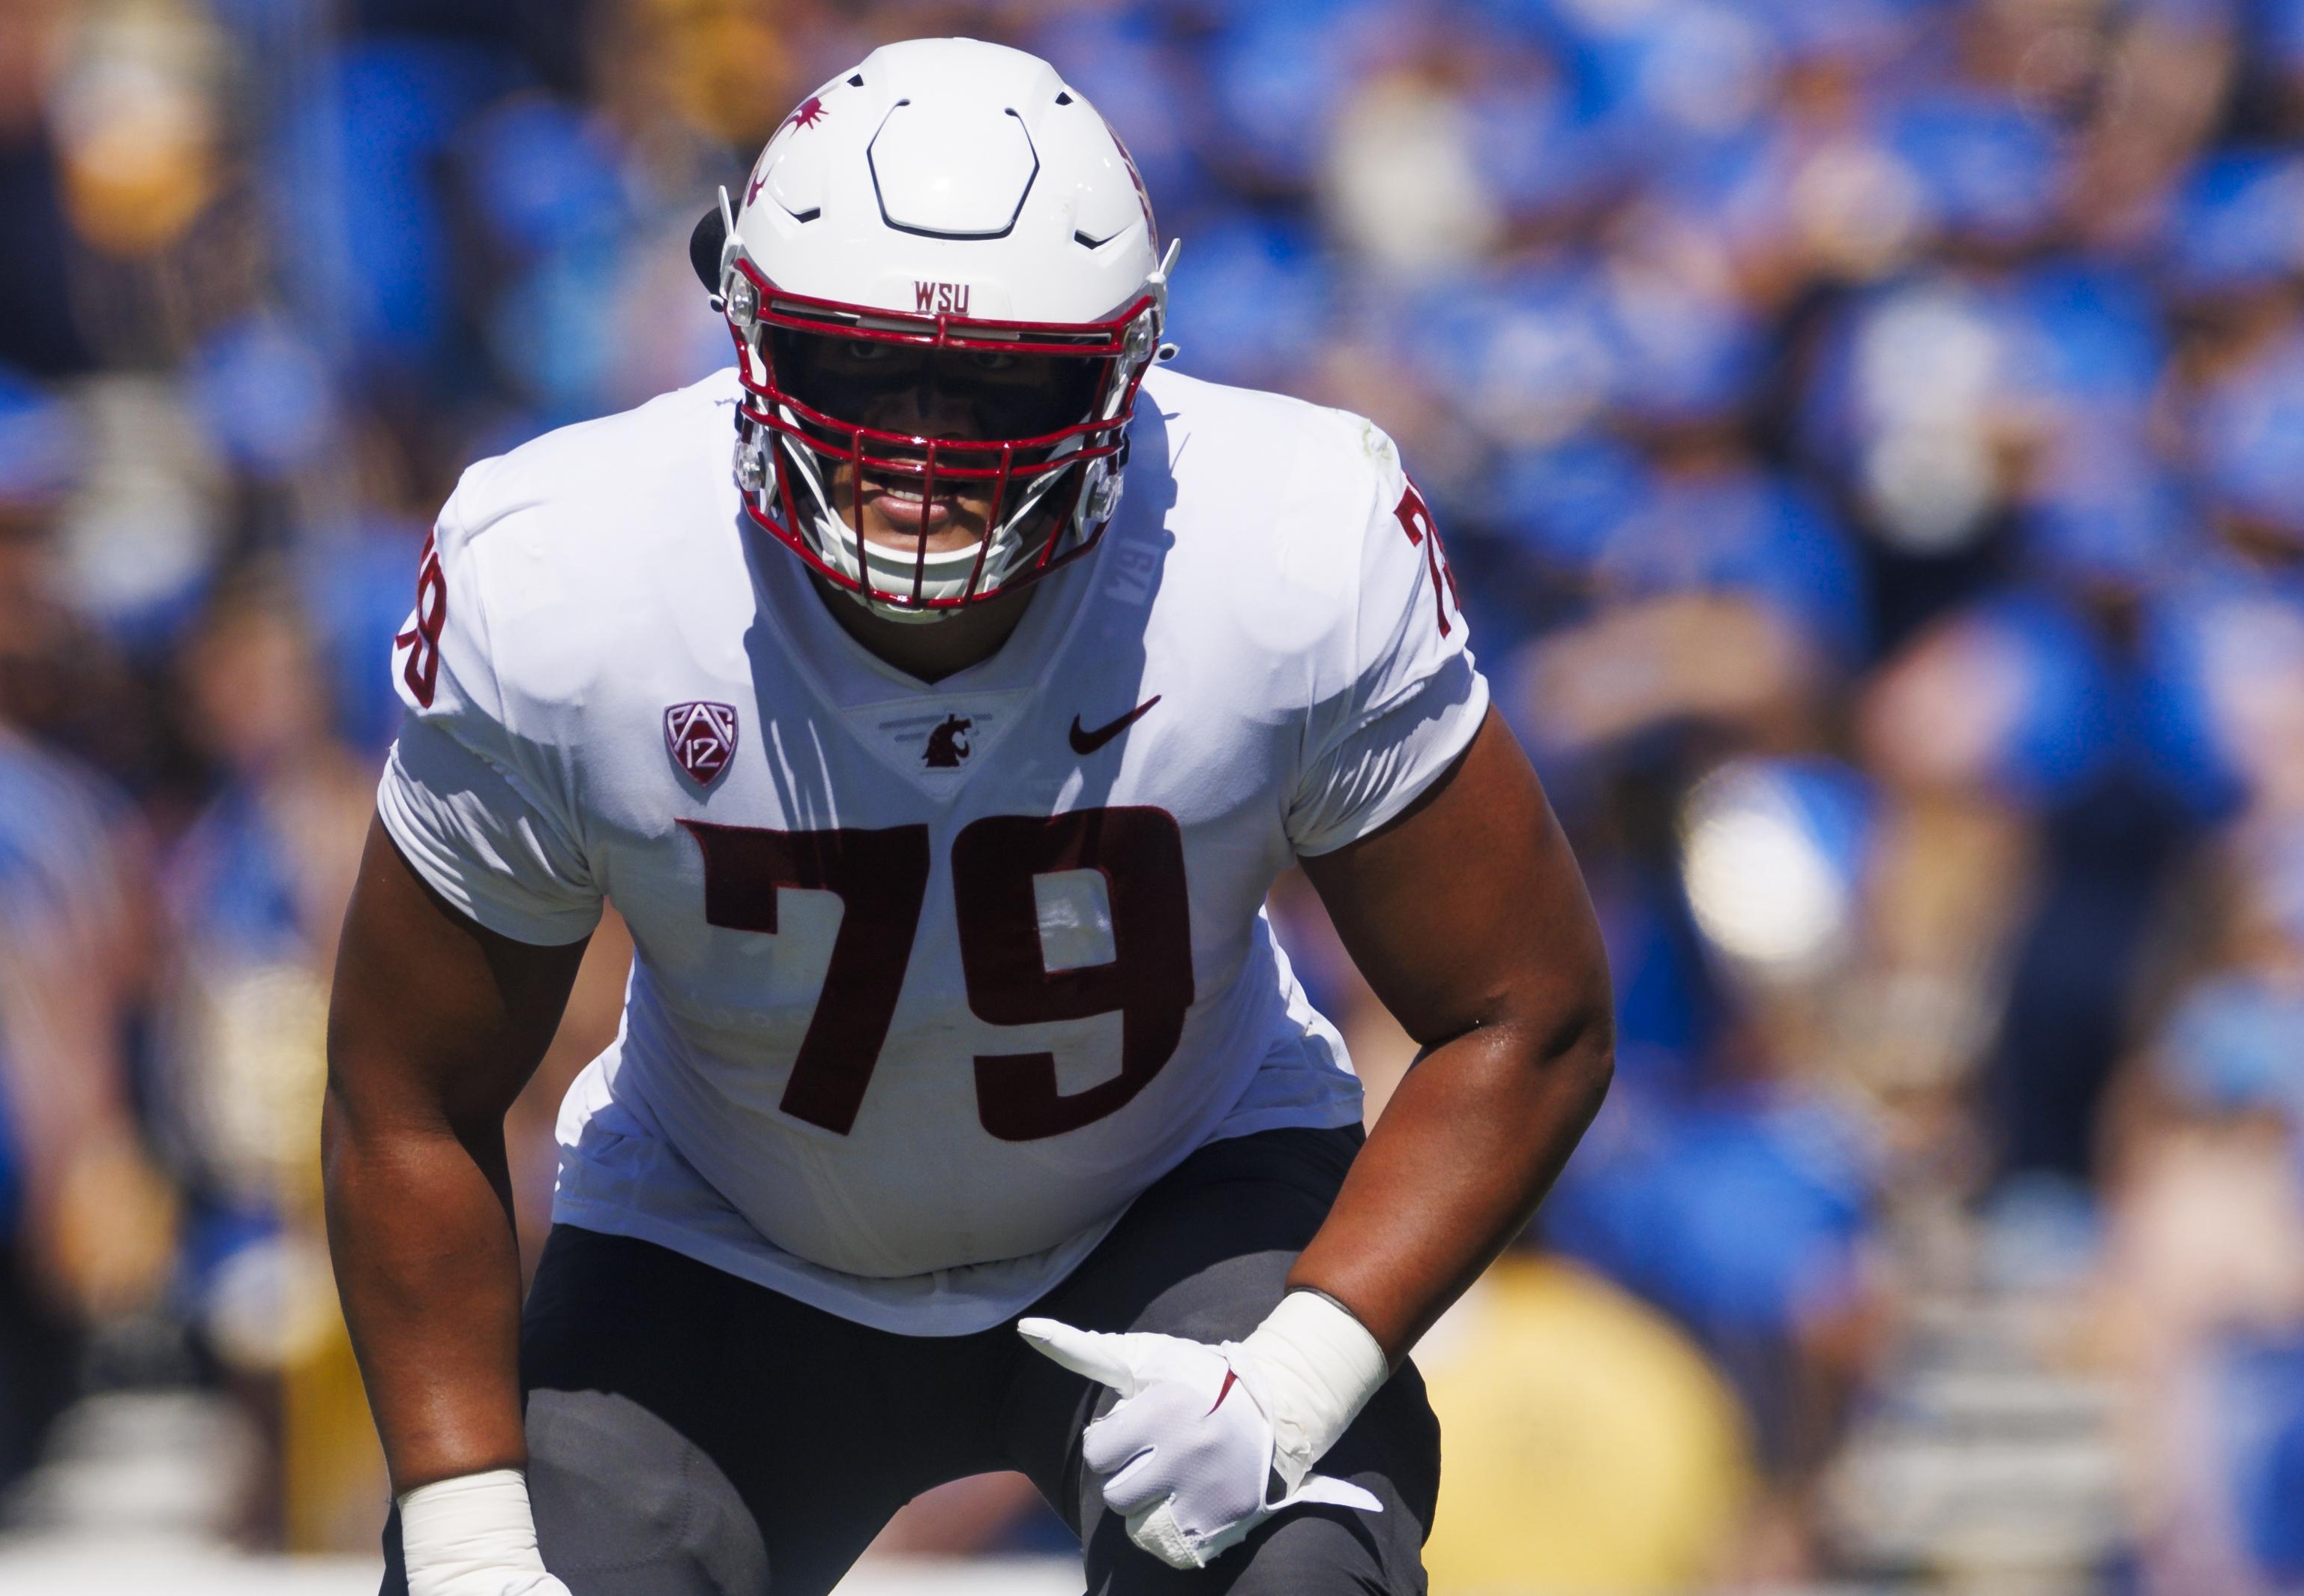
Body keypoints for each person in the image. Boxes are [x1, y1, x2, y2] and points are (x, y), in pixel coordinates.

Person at [324, 37, 1613, 1596]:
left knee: (1292, 1581)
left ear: (1127, 368)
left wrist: (1291, 1379)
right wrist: (466, 1545)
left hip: (1174, 1200)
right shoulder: (566, 569)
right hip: (723, 1234)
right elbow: (409, 1091)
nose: (919, 451)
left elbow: (1525, 1010)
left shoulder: (1286, 541)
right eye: (857, 367)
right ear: (744, 324)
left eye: (1003, 379)